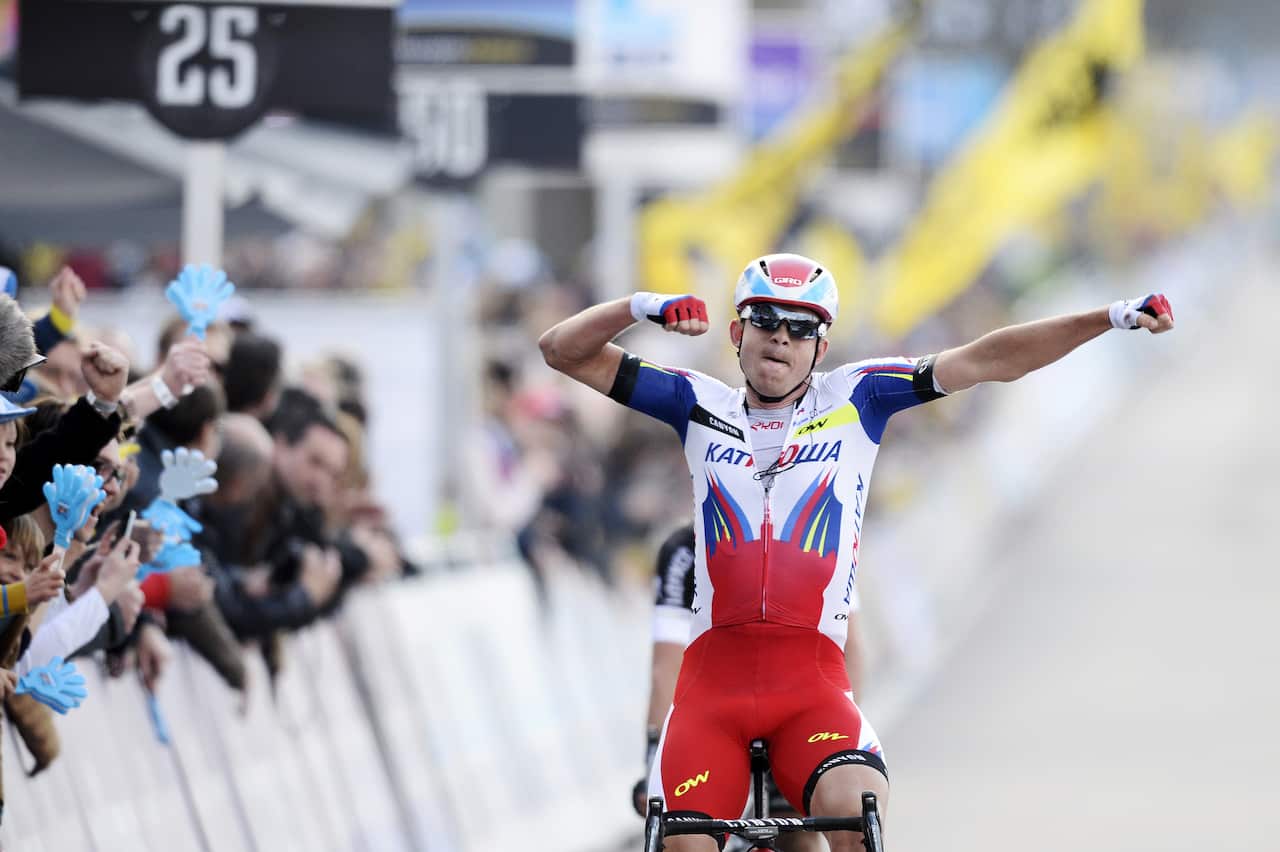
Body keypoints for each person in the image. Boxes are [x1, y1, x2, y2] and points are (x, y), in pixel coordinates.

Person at [540, 253, 1174, 851]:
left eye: (801, 327)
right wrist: (641, 306)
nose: (781, 338)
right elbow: (561, 350)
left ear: (822, 344)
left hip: (809, 686)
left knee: (858, 811)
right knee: (679, 840)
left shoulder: (860, 396)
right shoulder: (695, 402)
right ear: (737, 330)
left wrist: (1108, 317)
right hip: (713, 690)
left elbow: (991, 359)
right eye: (765, 320)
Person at [634, 523, 867, 852]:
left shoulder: (820, 537)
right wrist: (654, 757)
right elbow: (666, 669)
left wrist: (844, 733)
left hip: (799, 712)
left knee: (800, 835)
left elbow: (848, 650)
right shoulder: (686, 552)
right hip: (720, 713)